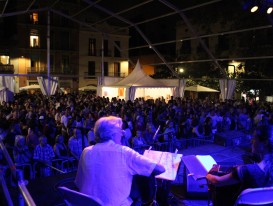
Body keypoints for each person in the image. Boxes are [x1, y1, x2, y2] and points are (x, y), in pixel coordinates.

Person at [75, 116, 165, 206]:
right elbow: (160, 169)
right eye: (120, 130)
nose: (123, 133)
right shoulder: (124, 152)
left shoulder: (86, 152)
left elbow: (79, 183)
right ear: (112, 134)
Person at [206, 125, 273, 206]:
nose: (252, 141)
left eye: (254, 138)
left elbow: (217, 181)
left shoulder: (246, 171)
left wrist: (208, 175)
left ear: (265, 143)